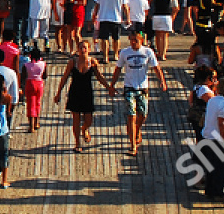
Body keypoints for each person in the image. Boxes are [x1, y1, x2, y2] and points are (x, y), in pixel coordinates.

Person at [110, 29, 167, 157]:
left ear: (141, 40)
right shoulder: (125, 53)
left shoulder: (147, 52)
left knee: (143, 114)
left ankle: (137, 129)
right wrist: (112, 85)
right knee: (131, 115)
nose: (133, 42)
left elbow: (156, 67)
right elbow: (118, 69)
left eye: (136, 40)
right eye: (131, 40)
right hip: (129, 87)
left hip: (143, 88)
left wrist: (162, 81)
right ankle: (132, 145)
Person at [55, 39, 111, 153]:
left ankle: (84, 129)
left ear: (89, 50)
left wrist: (109, 87)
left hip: (87, 93)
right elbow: (64, 78)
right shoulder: (72, 62)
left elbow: (99, 77)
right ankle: (77, 143)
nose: (83, 50)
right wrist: (58, 93)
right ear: (78, 50)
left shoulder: (93, 62)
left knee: (88, 119)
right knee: (76, 119)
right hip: (75, 92)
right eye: (81, 48)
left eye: (85, 48)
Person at [21, 46, 46, 132]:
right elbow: (45, 75)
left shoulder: (26, 65)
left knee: (30, 104)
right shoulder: (43, 64)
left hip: (30, 83)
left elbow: (23, 76)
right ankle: (37, 122)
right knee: (38, 103)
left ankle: (31, 126)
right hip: (39, 83)